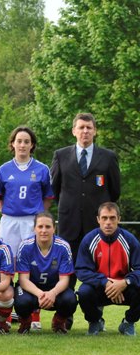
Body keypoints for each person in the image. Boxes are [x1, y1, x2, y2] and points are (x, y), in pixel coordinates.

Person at [50, 113, 120, 266]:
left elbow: (115, 191)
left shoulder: (108, 157)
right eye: (81, 127)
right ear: (74, 131)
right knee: (67, 267)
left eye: (89, 127)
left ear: (95, 131)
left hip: (96, 222)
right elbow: (54, 188)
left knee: (98, 266)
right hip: (69, 222)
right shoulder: (60, 156)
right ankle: (67, 291)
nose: (85, 131)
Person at [76, 202, 140, 336]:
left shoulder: (129, 240)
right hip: (100, 288)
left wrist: (124, 282)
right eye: (104, 218)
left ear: (119, 219)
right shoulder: (89, 240)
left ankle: (128, 323)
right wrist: (105, 282)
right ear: (98, 219)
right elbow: (81, 270)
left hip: (124, 288)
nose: (108, 222)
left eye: (112, 218)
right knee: (83, 292)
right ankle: (95, 321)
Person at [14, 212, 77, 334]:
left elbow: (65, 280)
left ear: (54, 228)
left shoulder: (63, 247)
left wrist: (52, 293)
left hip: (55, 289)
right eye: (40, 226)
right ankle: (25, 321)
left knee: (70, 300)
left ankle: (59, 322)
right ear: (34, 228)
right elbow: (23, 280)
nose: (44, 230)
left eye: (48, 227)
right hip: (32, 290)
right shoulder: (25, 246)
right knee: (21, 302)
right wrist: (40, 294)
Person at [0, 126, 53, 254]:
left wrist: (38, 214)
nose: (22, 145)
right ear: (13, 143)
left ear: (32, 145)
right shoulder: (3, 170)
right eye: (19, 141)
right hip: (10, 220)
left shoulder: (42, 169)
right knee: (8, 259)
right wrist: (7, 211)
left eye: (26, 142)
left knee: (31, 259)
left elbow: (48, 197)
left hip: (32, 220)